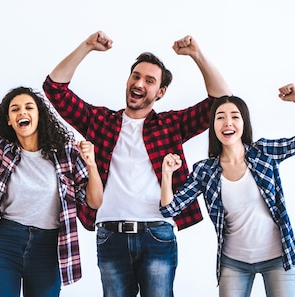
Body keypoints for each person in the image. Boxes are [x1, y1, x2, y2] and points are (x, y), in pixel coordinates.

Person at [43, 31, 232, 296]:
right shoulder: (99, 121)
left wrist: (196, 55)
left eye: (149, 80)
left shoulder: (171, 125)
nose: (139, 83)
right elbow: (54, 89)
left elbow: (221, 102)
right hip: (110, 236)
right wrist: (86, 46)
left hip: (157, 234)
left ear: (161, 92)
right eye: (136, 76)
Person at [0, 46, 103, 297]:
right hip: (6, 242)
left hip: (48, 247)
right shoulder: (1, 151)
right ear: (9, 120)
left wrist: (92, 164)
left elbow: (95, 201)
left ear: (39, 115)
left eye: (29, 107)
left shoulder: (65, 154)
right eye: (15, 109)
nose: (22, 112)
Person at [160, 84, 295, 297]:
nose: (227, 122)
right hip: (234, 263)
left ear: (244, 123)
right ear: (213, 126)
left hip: (278, 258)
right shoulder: (205, 171)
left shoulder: (263, 153)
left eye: (235, 116)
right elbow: (170, 209)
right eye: (220, 117)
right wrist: (167, 174)